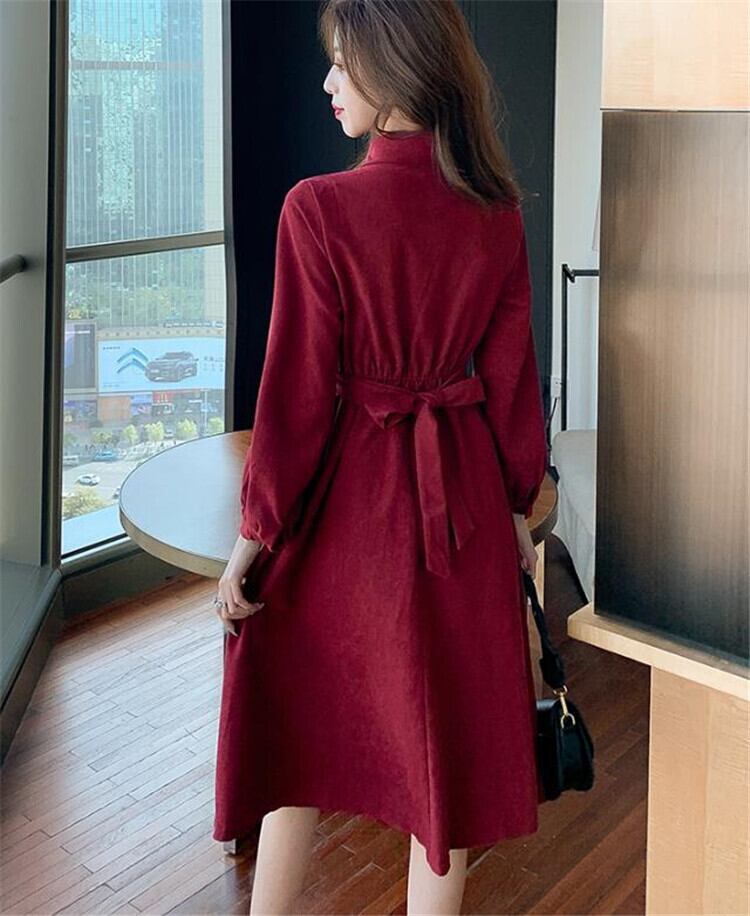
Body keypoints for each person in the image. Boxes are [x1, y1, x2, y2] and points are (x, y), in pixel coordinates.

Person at [212, 1, 547, 913]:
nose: (327, 82)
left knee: (295, 738)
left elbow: (294, 399)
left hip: (346, 515)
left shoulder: (318, 209)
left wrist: (253, 538)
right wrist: (517, 513)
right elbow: (512, 384)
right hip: (462, 515)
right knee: (446, 776)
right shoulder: (496, 211)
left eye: (340, 62)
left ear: (394, 67)